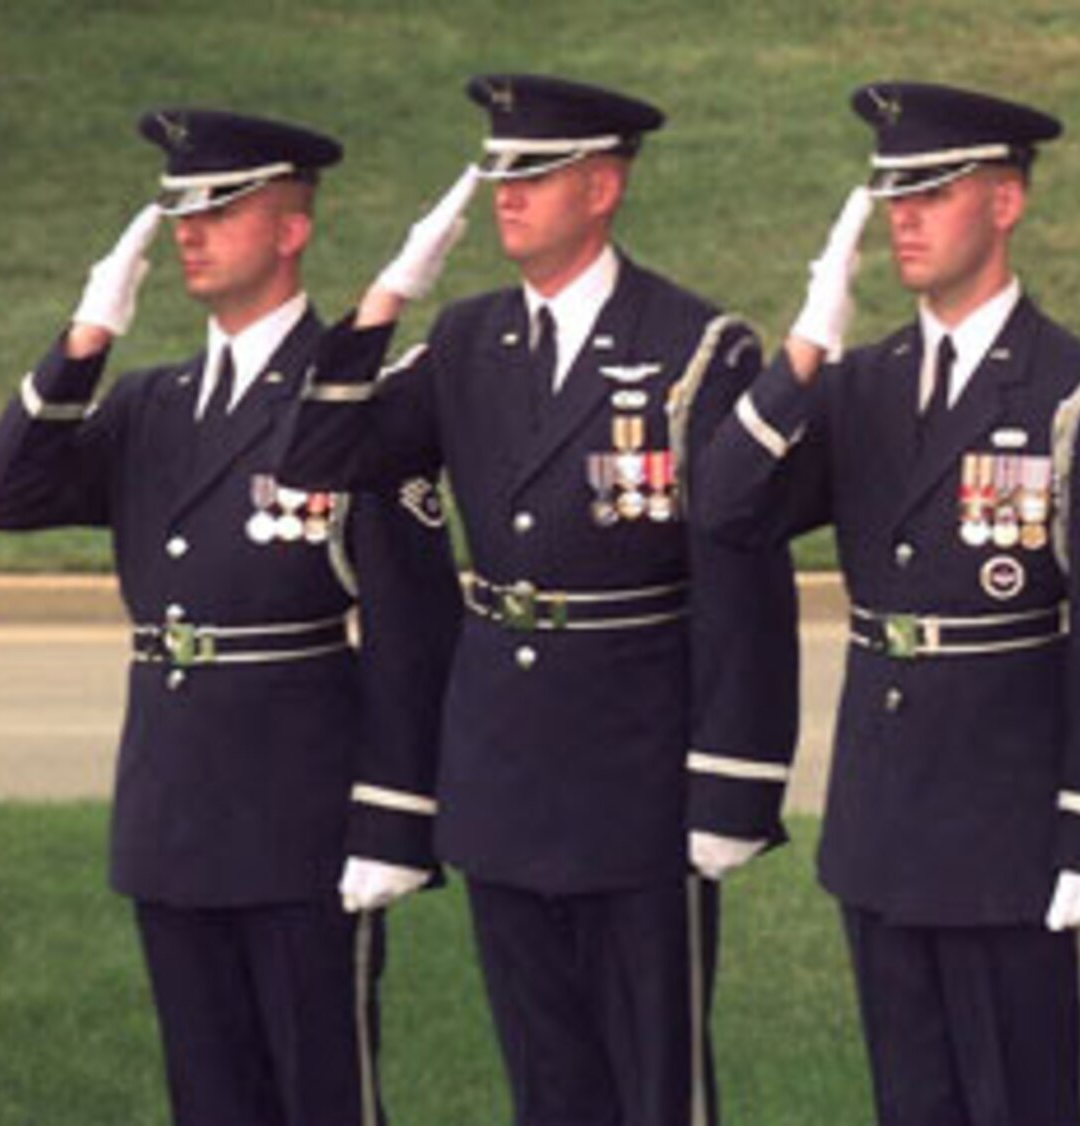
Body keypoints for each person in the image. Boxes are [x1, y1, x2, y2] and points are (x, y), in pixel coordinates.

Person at [274, 74, 798, 1125]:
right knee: (544, 1079)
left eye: (533, 175)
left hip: (636, 767)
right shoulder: (468, 340)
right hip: (503, 763)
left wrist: (733, 783)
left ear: (600, 186)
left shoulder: (696, 347)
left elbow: (744, 586)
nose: (504, 196)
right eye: (498, 173)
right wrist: (384, 303)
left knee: (655, 1083)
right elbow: (322, 455)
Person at [0, 108, 460, 1126]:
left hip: (301, 814)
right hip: (174, 805)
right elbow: (3, 496)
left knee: (321, 1095)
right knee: (210, 1099)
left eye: (220, 210)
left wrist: (394, 819)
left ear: (289, 230)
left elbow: (415, 633)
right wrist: (84, 340)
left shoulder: (351, 393)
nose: (189, 230)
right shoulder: (154, 403)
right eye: (180, 210)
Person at [697, 81, 1080, 1125]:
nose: (902, 217)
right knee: (913, 1103)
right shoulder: (856, 384)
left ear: (1004, 203)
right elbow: (724, 508)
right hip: (884, 818)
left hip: (1013, 828)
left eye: (932, 193)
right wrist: (798, 358)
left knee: (1030, 1101)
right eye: (891, 195)